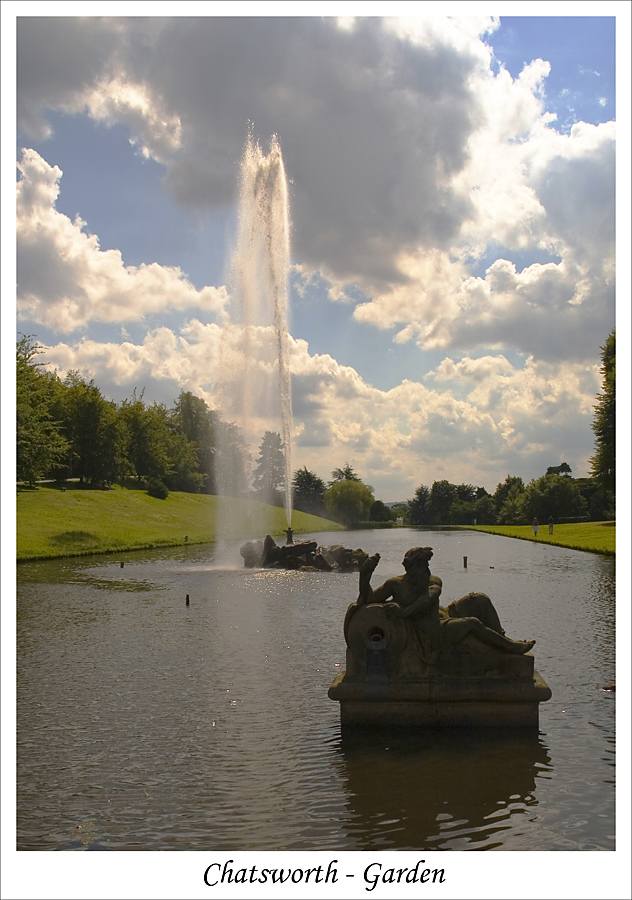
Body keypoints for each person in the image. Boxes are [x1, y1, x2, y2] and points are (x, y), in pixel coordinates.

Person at [347, 547, 535, 665]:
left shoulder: (432, 580)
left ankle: (502, 644)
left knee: (479, 599)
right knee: (472, 623)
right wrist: (365, 575)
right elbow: (368, 600)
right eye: (422, 566)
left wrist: (404, 611)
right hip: (433, 631)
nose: (426, 570)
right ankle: (512, 648)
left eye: (426, 566)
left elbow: (431, 596)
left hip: (444, 614)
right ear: (410, 568)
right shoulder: (395, 584)